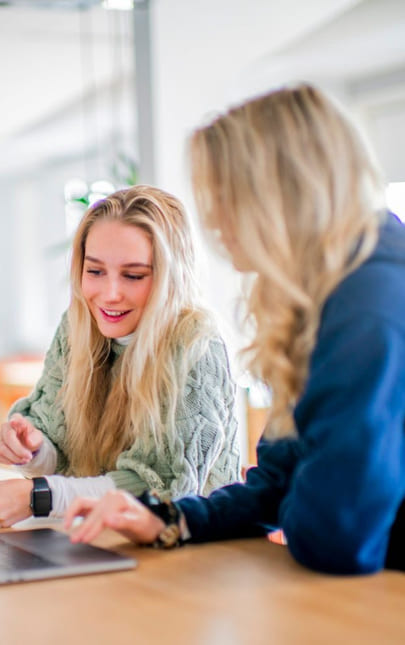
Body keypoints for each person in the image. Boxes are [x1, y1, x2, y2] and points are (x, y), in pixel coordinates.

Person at [64, 84, 405, 575]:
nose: (214, 219)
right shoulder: (332, 287)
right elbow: (276, 482)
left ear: (278, 193)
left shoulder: (367, 304)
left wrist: (294, 503)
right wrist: (170, 520)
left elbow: (335, 534)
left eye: (223, 195)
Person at [0, 185, 241, 525]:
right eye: (94, 271)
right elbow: (60, 450)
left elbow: (164, 489)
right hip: (103, 540)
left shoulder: (196, 345)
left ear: (171, 278)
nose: (109, 294)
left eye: (134, 275)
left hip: (195, 553)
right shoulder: (78, 327)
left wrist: (39, 497)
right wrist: (33, 449)